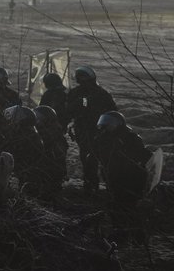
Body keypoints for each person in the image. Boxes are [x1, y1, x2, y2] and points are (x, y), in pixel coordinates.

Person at [93, 111, 151, 243]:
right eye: (104, 122)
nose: (105, 126)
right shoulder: (103, 138)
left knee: (129, 207)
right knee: (115, 208)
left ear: (118, 124)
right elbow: (98, 154)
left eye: (109, 123)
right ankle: (121, 234)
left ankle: (139, 237)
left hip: (130, 179)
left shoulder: (131, 138)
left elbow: (143, 156)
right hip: (113, 179)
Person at [69, 66, 117, 195]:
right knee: (87, 159)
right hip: (83, 131)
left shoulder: (102, 94)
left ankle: (110, 187)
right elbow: (69, 111)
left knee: (103, 160)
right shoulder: (75, 93)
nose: (82, 81)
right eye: (80, 78)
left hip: (100, 131)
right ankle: (90, 186)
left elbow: (113, 112)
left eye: (84, 78)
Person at [2, 106, 46, 195]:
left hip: (27, 178)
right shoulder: (25, 132)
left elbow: (19, 157)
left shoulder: (26, 135)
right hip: (24, 175)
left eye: (16, 116)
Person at [34, 105, 68, 200]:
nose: (36, 120)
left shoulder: (53, 131)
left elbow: (54, 154)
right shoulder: (43, 129)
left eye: (39, 117)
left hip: (52, 170)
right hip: (46, 168)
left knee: (49, 195)